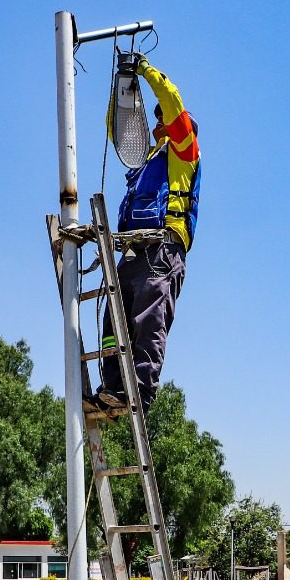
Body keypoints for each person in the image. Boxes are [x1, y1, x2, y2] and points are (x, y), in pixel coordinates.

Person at [91, 53, 201, 415]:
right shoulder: (147, 161)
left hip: (162, 251)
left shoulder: (184, 153)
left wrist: (144, 69)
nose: (159, 125)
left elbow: (172, 104)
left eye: (163, 120)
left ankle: (140, 391)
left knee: (148, 321)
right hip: (134, 252)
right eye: (155, 122)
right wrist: (121, 88)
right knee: (115, 321)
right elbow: (119, 133)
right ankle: (112, 387)